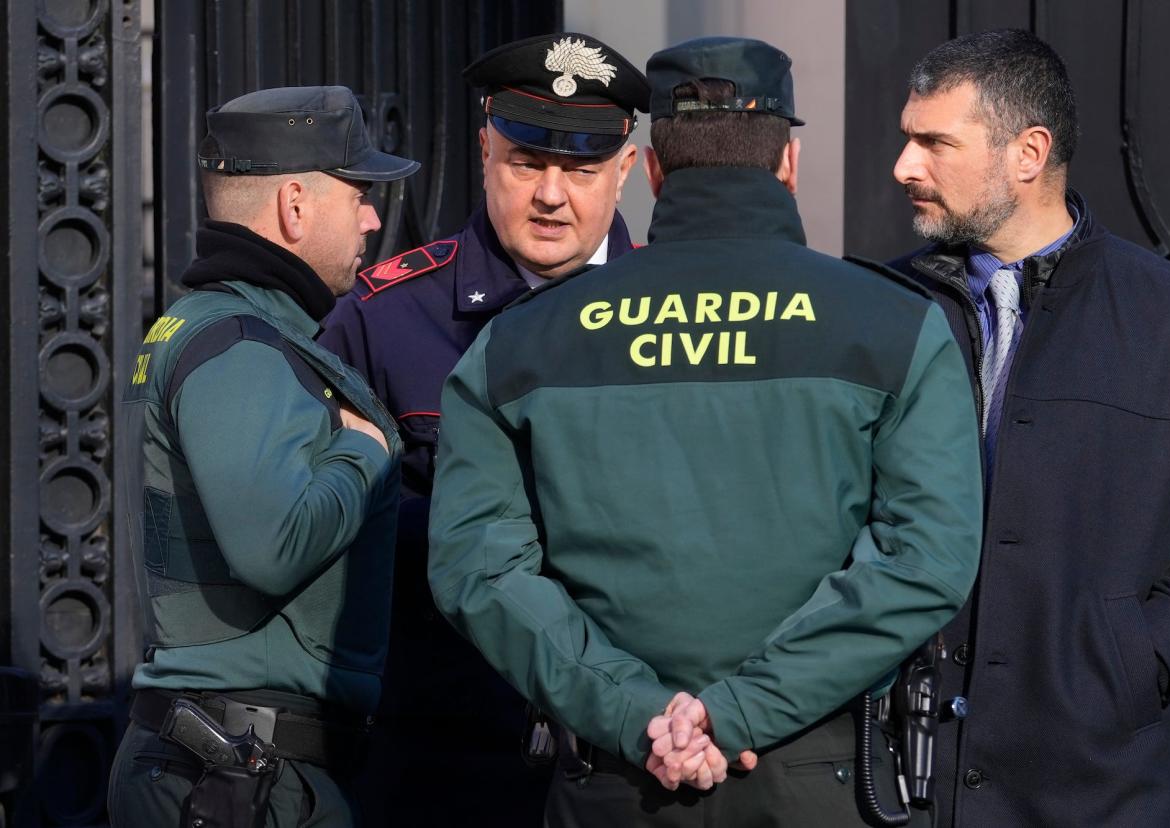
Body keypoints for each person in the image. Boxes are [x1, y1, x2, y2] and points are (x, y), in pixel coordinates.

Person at [428, 35, 983, 827]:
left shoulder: (521, 342)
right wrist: (736, 712)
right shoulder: (893, 325)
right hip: (817, 778)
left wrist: (639, 713)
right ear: (786, 165)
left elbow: (477, 569)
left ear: (651, 171)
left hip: (614, 779)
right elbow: (925, 559)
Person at [889, 29, 1170, 827]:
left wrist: (1141, 660)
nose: (904, 168)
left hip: (1103, 785)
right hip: (904, 781)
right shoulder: (882, 309)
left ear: (1028, 152)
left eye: (935, 142)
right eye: (906, 140)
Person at [317, 32, 649, 825]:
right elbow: (325, 528)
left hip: (638, 752)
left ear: (628, 170)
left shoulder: (684, 318)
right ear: (484, 152)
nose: (551, 196)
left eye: (580, 169)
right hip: (444, 753)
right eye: (527, 163)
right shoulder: (383, 318)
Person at [107, 85, 418, 826]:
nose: (373, 218)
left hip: (234, 770)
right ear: (296, 206)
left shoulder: (220, 330)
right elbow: (274, 547)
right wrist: (360, 451)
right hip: (242, 781)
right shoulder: (241, 344)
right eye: (359, 193)